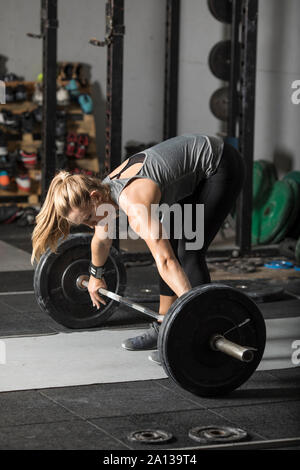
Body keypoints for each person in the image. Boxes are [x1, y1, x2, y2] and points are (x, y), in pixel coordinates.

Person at [31, 134, 245, 364]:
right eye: (84, 223)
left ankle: (204, 329)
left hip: (220, 165)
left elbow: (166, 262)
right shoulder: (103, 196)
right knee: (170, 244)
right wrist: (95, 276)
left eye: (89, 218)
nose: (91, 224)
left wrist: (192, 313)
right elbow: (101, 241)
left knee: (188, 252)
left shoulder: (134, 204)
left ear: (94, 197)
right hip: (193, 173)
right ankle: (165, 326)